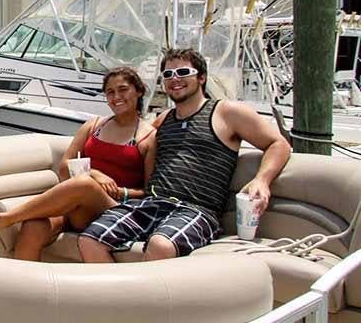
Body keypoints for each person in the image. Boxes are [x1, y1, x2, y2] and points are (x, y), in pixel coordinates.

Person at [78, 48, 292, 262]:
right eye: (168, 75)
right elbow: (130, 150)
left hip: (196, 210)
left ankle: (142, 294)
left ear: (201, 77)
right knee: (89, 240)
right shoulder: (162, 120)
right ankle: (120, 295)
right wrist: (94, 173)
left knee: (160, 245)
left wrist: (262, 180)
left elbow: (278, 144)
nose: (175, 79)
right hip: (152, 203)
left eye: (182, 72)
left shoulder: (227, 112)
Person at [0, 67, 156, 261]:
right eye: (110, 92)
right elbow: (64, 167)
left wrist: (120, 191)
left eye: (123, 90)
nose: (116, 97)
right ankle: (25, 290)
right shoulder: (94, 126)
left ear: (138, 91)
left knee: (84, 184)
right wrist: (95, 174)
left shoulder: (148, 137)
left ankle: (5, 219)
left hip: (114, 209)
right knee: (33, 228)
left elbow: (150, 192)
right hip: (75, 206)